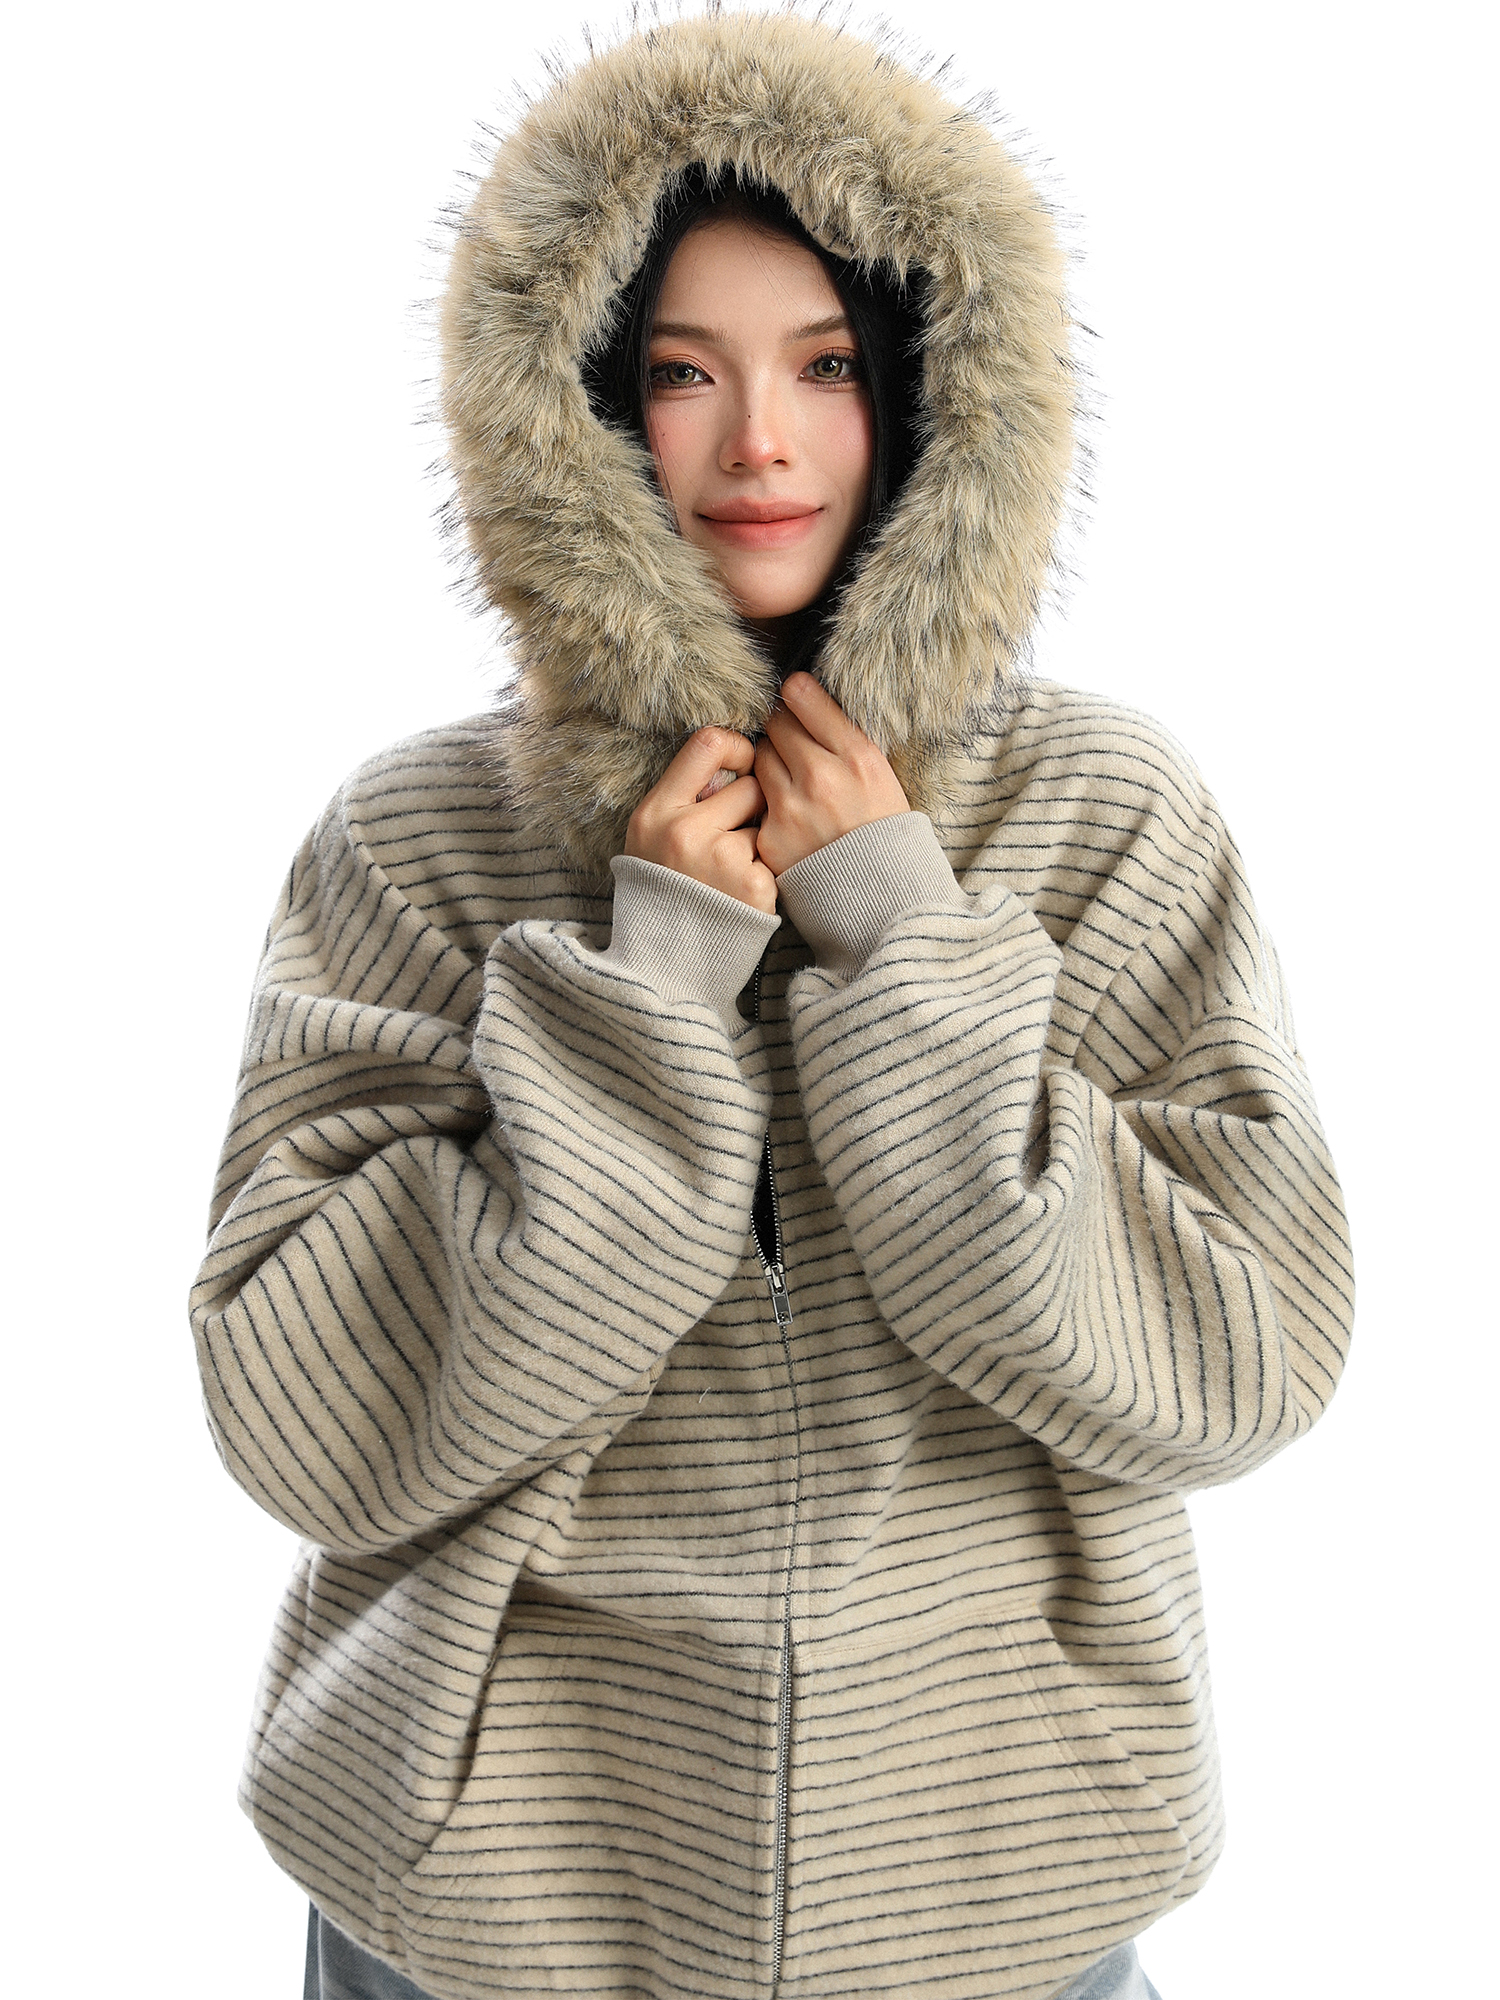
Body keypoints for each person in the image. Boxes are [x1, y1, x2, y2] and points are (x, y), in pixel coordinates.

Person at [191, 14, 1354, 2000]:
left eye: (824, 366)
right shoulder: (415, 839)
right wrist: (641, 999)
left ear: (928, 395)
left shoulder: (1104, 810)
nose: (758, 445)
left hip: (999, 1904)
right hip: (483, 1916)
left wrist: (903, 941)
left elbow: (1242, 1359)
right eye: (681, 372)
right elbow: (301, 1416)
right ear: (573, 409)